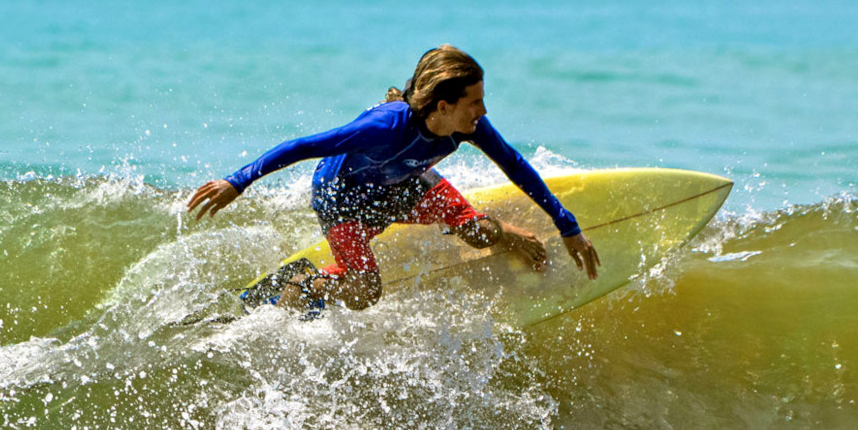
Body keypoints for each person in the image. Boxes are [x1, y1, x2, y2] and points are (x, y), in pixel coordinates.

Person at [187, 45, 599, 311]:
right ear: (443, 105)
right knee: (365, 292)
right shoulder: (384, 127)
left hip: (404, 182)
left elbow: (514, 165)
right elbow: (303, 146)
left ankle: (505, 233)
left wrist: (568, 226)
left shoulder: (468, 127)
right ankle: (306, 282)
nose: (483, 111)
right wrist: (237, 181)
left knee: (478, 231)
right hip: (341, 196)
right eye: (474, 101)